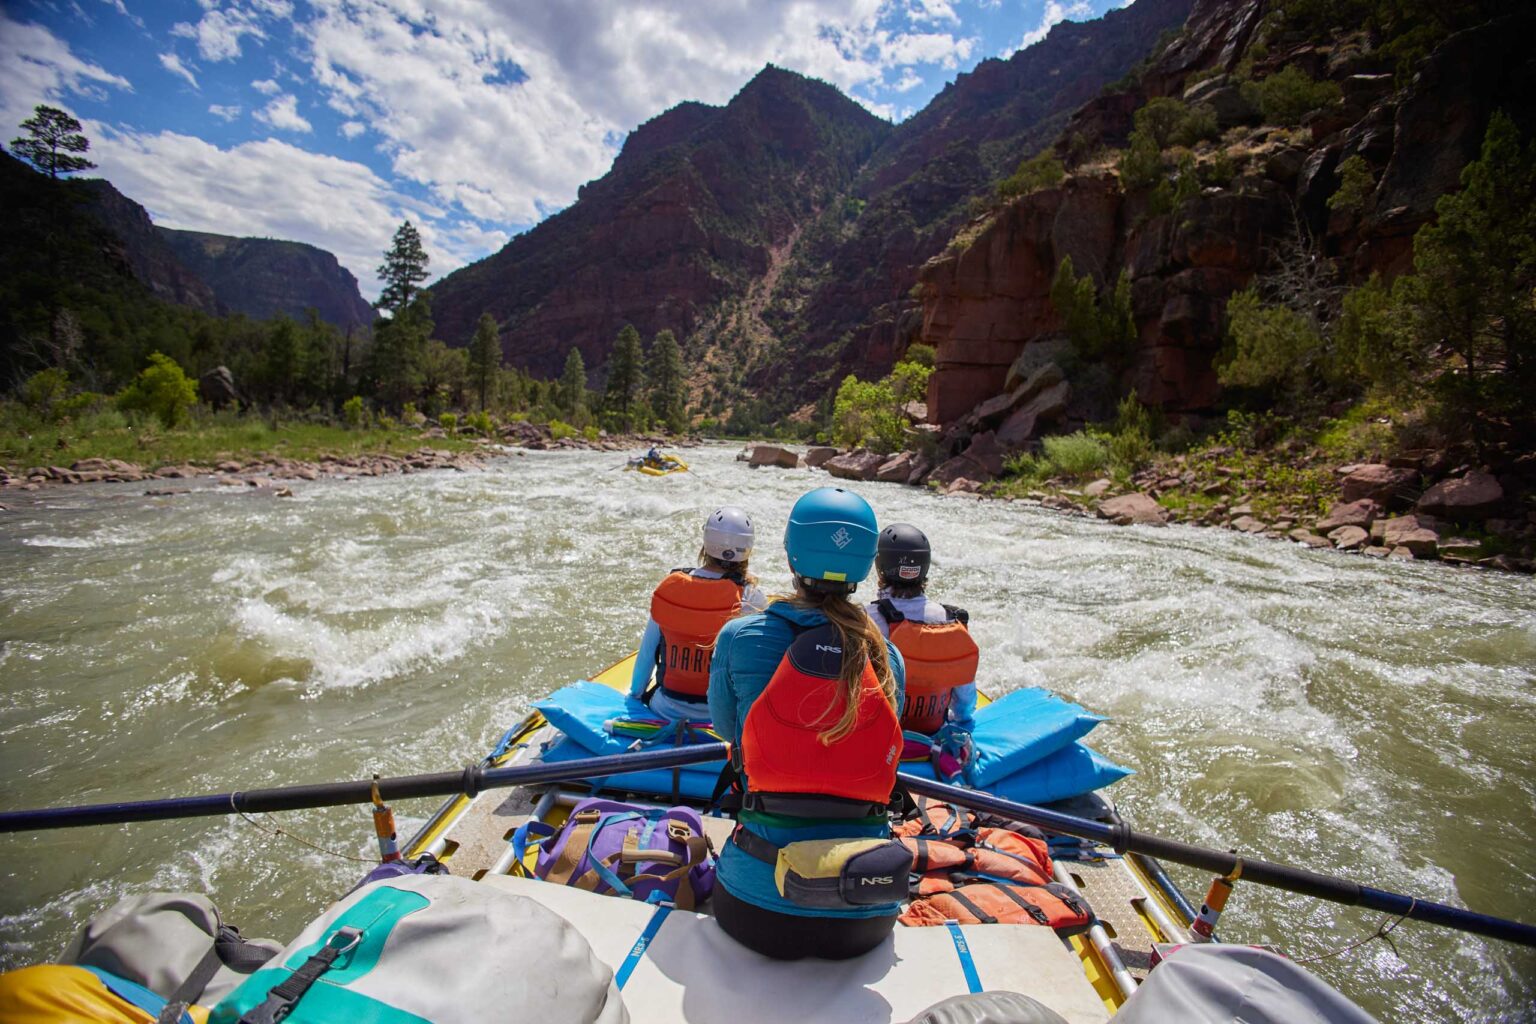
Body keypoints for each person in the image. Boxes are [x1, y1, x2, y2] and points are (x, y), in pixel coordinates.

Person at [708, 487, 907, 960]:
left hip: (753, 910)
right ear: (865, 565)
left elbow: (725, 728)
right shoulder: (888, 658)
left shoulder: (739, 635)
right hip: (867, 912)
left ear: (792, 554)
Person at [630, 506, 767, 722]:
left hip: (664, 709)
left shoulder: (671, 587)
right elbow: (754, 668)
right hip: (720, 720)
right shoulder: (752, 597)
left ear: (706, 543)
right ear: (747, 550)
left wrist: (635, 698)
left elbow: (647, 654)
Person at [867, 523, 979, 781]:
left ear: (880, 566)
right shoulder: (950, 619)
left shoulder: (868, 619)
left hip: (885, 740)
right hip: (932, 738)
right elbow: (964, 706)